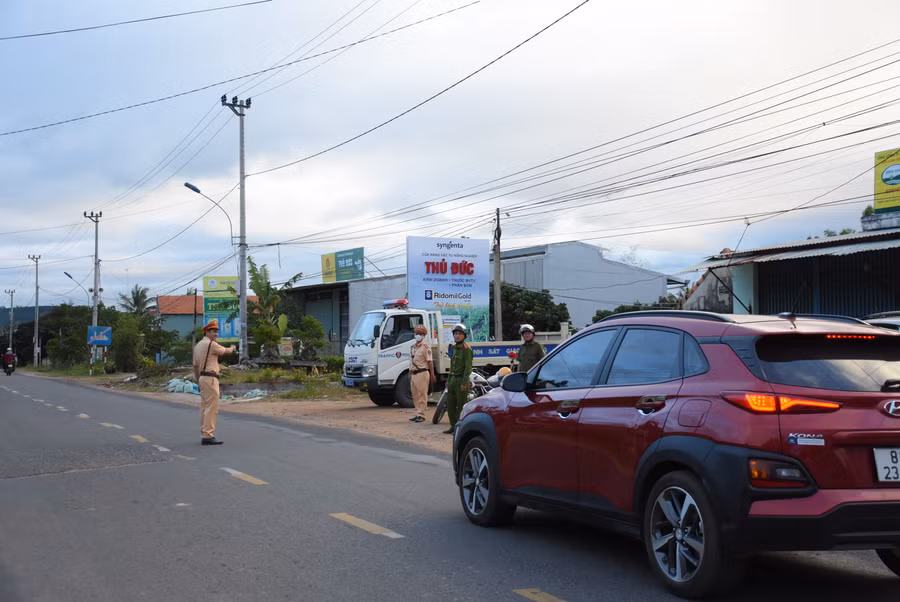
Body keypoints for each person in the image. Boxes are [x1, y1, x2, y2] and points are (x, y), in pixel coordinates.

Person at [192, 319, 235, 445]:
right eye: (213, 331)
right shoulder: (211, 344)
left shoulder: (198, 345)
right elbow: (225, 351)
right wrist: (232, 348)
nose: (216, 334)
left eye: (217, 331)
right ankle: (208, 435)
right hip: (210, 378)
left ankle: (204, 432)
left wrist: (198, 381)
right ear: (206, 332)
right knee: (211, 407)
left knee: (205, 407)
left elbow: (195, 365)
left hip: (202, 378)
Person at [444, 324, 473, 434]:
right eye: (456, 334)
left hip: (461, 380)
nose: (457, 336)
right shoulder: (454, 348)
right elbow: (452, 365)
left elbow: (468, 368)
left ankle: (460, 427)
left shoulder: (467, 349)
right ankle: (452, 425)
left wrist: (464, 383)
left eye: (460, 334)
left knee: (461, 405)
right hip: (453, 379)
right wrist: (448, 380)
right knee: (450, 404)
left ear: (464, 336)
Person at [408, 325, 436, 423]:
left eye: (420, 334)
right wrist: (409, 373)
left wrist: (432, 375)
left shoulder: (426, 348)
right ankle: (417, 413)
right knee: (415, 395)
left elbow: (430, 362)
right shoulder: (412, 348)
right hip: (414, 374)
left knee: (422, 395)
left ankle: (421, 415)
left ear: (424, 336)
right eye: (416, 333)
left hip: (422, 373)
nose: (418, 335)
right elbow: (411, 362)